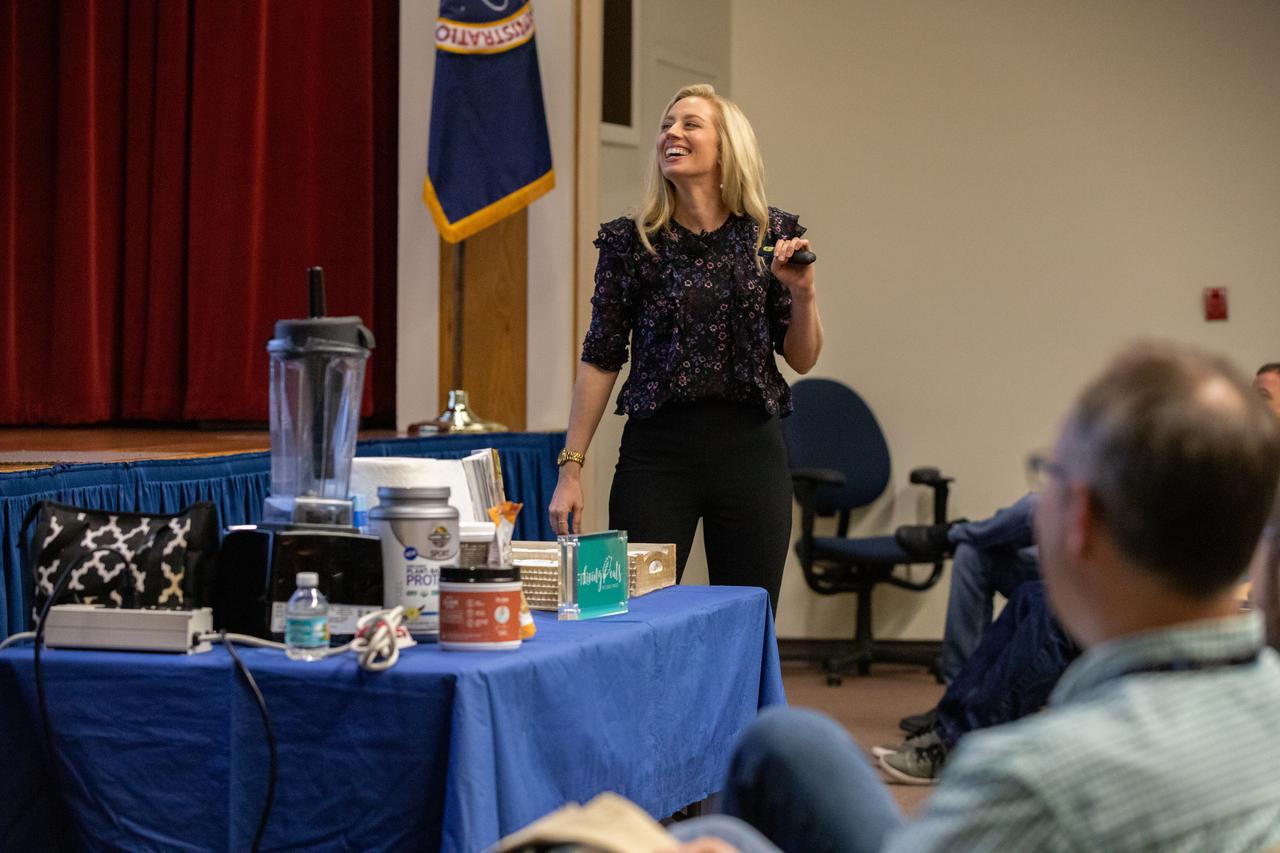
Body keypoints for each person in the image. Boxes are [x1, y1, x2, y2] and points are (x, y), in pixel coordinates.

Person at [672, 341, 1280, 852]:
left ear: (1082, 521)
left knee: (719, 834)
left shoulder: (1033, 778)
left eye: (1051, 475)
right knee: (789, 739)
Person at [547, 84, 824, 611]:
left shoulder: (773, 233)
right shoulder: (631, 241)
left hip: (750, 453)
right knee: (642, 617)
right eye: (666, 125)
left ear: (726, 147)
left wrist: (802, 292)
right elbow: (602, 356)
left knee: (747, 616)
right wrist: (572, 468)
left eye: (690, 124)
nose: (672, 133)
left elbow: (804, 358)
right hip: (658, 455)